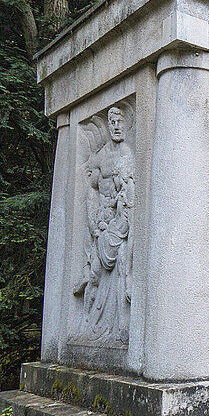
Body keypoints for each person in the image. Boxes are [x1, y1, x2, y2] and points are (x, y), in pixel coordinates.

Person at [74, 106, 134, 343]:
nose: (117, 126)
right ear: (109, 126)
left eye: (120, 121)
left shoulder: (128, 154)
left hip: (119, 223)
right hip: (101, 224)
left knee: (121, 269)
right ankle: (86, 321)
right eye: (113, 123)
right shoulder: (100, 157)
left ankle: (122, 324)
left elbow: (128, 196)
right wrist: (93, 219)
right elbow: (91, 188)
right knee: (95, 275)